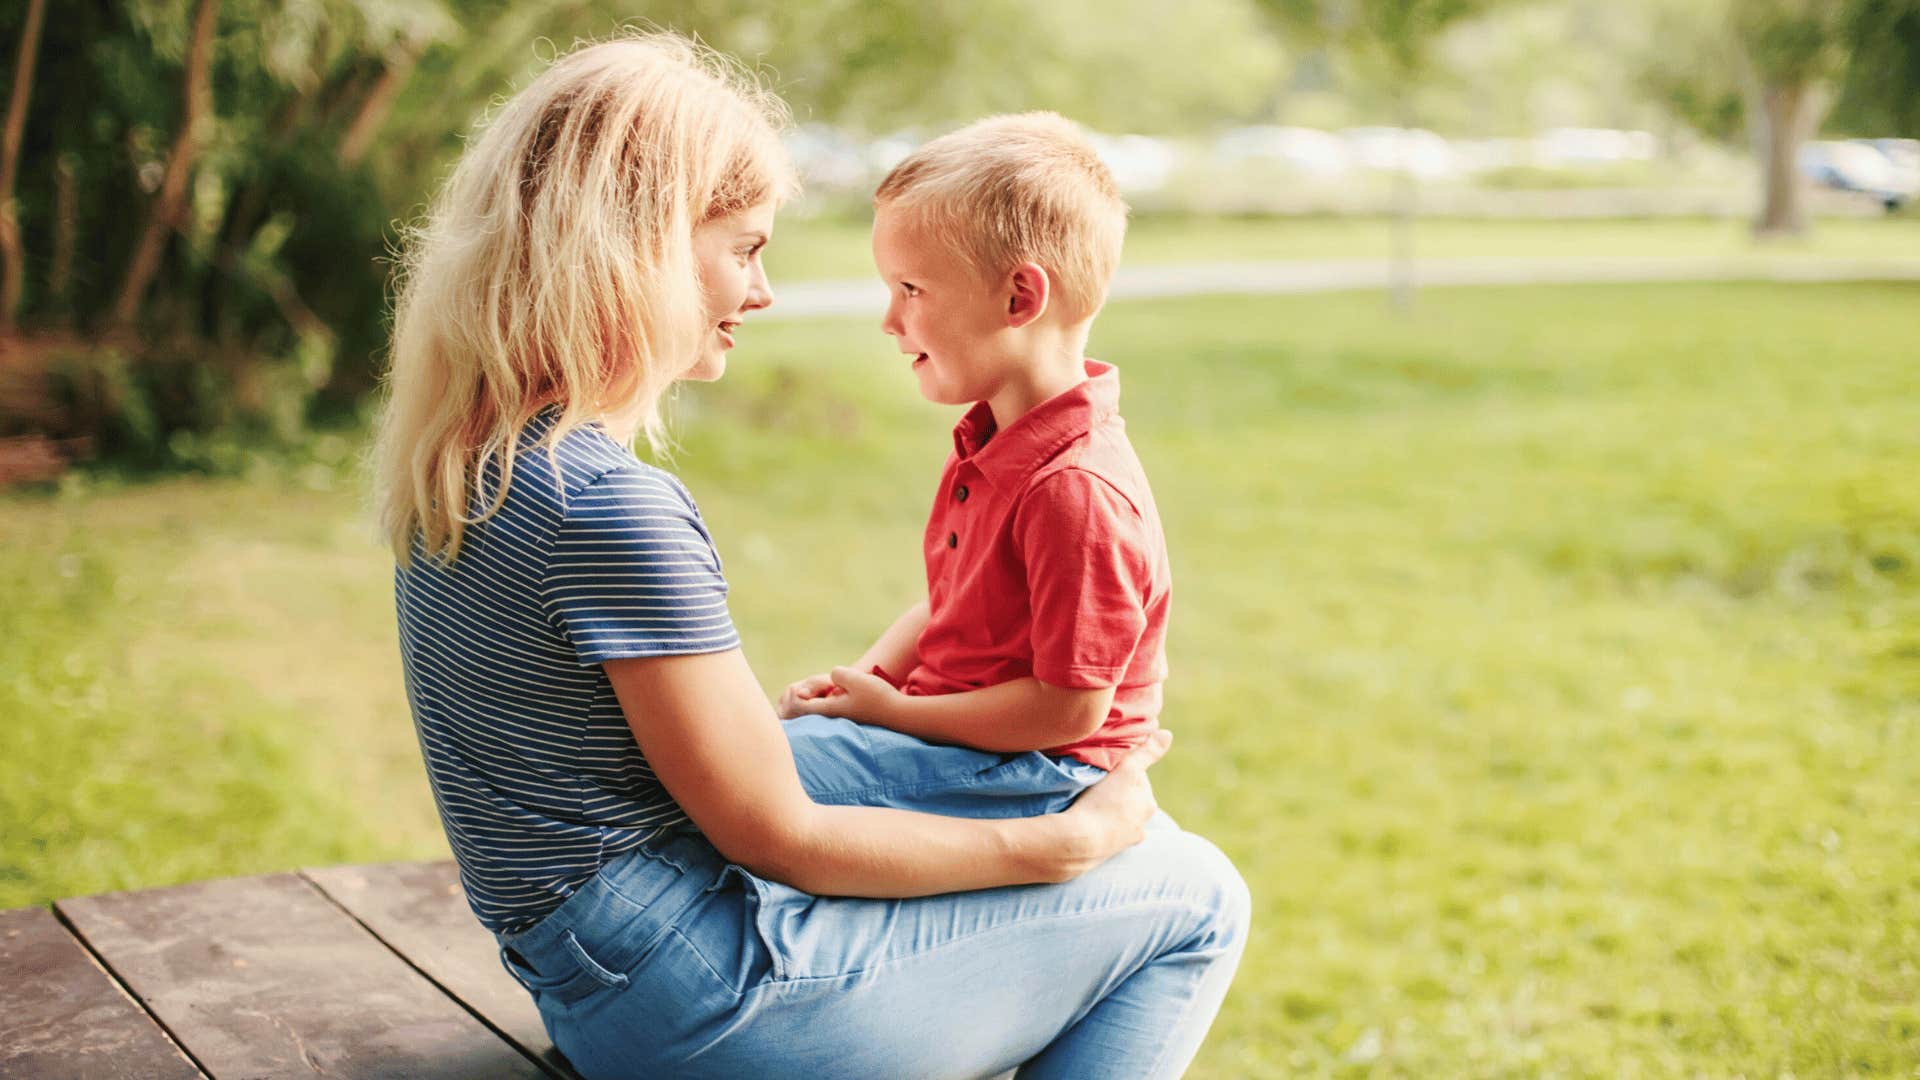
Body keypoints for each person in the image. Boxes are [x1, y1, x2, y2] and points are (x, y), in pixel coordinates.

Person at [374, 32, 1249, 1080]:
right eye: (744, 247)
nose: (764, 290)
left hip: (593, 987)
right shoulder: (607, 509)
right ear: (639, 246)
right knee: (1196, 893)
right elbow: (778, 837)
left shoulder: (471, 464)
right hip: (704, 1008)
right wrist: (1059, 848)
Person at [777, 113, 1173, 827]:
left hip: (1042, 771)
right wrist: (865, 682)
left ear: (1020, 299)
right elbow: (953, 603)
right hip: (964, 738)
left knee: (750, 780)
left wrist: (898, 715)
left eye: (911, 289)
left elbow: (1070, 707)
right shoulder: (1000, 442)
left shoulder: (1075, 489)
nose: (889, 320)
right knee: (753, 760)